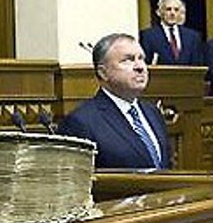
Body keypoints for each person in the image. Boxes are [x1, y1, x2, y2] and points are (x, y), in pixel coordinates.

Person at [58, 33, 172, 169]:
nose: (140, 67)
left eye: (141, 58)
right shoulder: (81, 122)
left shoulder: (153, 112)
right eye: (128, 60)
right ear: (103, 72)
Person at [139, 0, 204, 66]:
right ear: (159, 12)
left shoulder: (193, 37)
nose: (172, 13)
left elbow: (198, 65)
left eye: (176, 10)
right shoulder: (148, 36)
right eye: (168, 9)